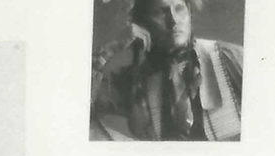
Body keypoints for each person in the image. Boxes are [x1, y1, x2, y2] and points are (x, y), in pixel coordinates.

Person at [90, 0, 244, 142]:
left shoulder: (228, 58)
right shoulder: (135, 83)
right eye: (159, 13)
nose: (173, 20)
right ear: (142, 25)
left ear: (189, 13)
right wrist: (108, 51)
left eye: (179, 9)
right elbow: (76, 114)